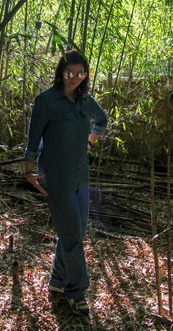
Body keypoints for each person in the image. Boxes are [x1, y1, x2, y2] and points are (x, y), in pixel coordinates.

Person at [24, 49, 107, 316]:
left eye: (80, 74)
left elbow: (102, 120)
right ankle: (77, 291)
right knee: (72, 236)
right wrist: (28, 171)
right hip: (56, 177)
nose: (74, 78)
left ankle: (58, 282)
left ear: (86, 75)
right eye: (70, 72)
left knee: (75, 233)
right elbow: (33, 138)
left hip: (80, 176)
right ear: (61, 72)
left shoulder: (86, 100)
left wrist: (88, 142)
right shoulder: (46, 100)